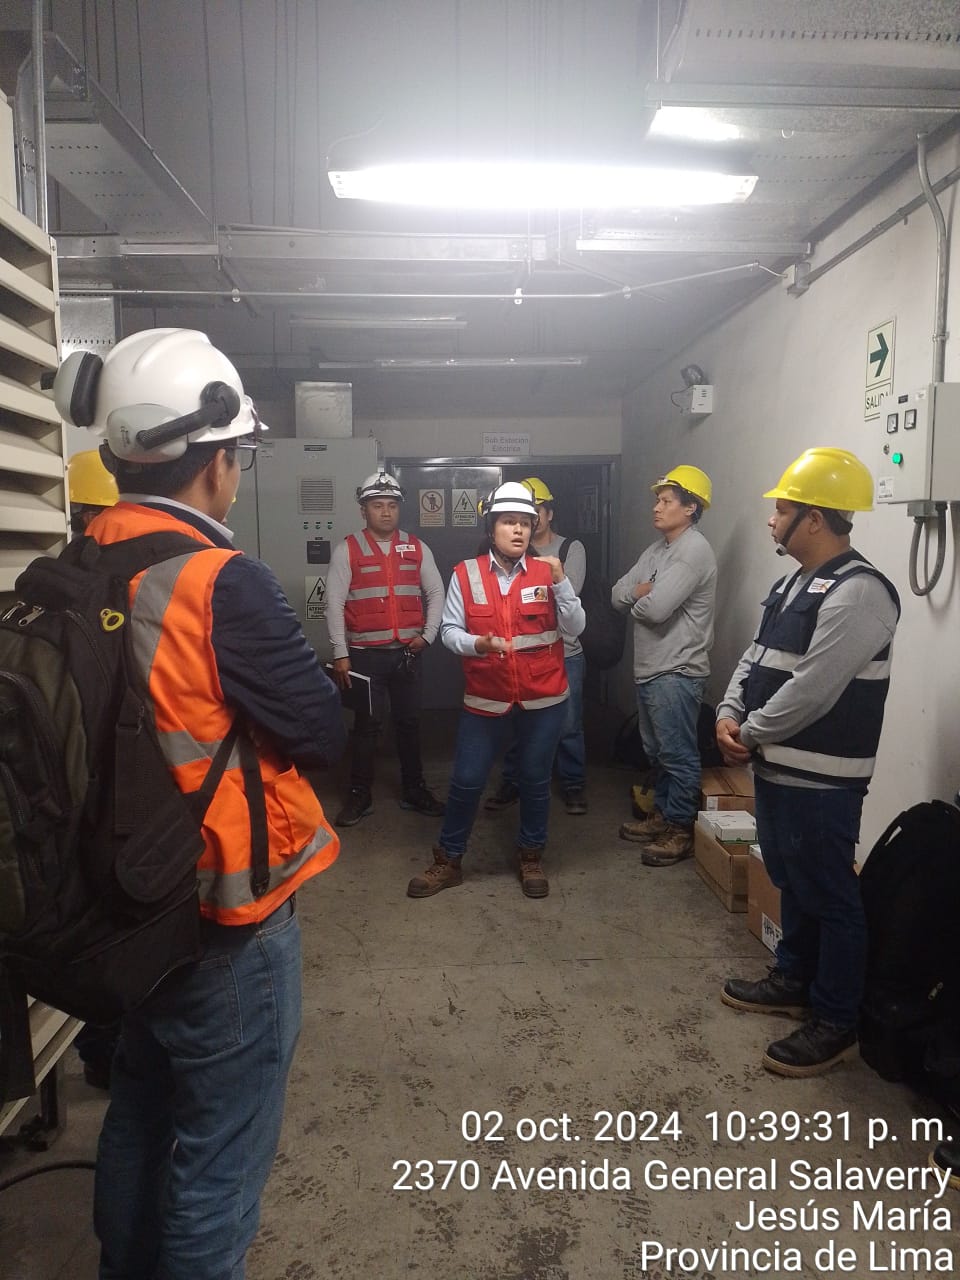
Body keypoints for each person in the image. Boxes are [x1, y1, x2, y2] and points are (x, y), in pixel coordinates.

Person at [54, 327, 346, 1279]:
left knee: (141, 1112)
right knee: (218, 1161)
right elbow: (319, 730)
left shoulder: (71, 565)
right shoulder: (221, 581)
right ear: (217, 460)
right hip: (223, 918)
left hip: (118, 907)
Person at [716, 447, 900, 1078]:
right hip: (776, 765)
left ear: (815, 518)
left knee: (829, 892)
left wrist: (750, 732)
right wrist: (729, 711)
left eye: (782, 510)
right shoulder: (793, 583)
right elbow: (757, 656)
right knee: (792, 878)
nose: (771, 520)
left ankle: (836, 1019)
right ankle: (793, 978)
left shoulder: (861, 592)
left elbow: (814, 687)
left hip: (823, 778)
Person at [407, 482, 584, 900]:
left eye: (525, 522)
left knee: (535, 779)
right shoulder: (465, 573)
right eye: (509, 522)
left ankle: (531, 856)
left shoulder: (548, 572)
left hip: (544, 697)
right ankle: (449, 859)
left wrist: (562, 583)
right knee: (467, 779)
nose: (519, 530)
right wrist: (477, 644)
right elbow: (449, 631)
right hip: (486, 696)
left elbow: (576, 628)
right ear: (492, 528)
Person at [325, 471, 445, 826]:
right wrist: (340, 653)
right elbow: (333, 603)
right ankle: (359, 794)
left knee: (409, 723)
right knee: (367, 727)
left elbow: (436, 592)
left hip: (408, 654)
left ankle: (414, 789)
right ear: (364, 510)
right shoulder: (347, 549)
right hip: (365, 656)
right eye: (378, 505)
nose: (386, 512)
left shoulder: (417, 547)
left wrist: (429, 635)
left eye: (392, 505)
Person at [612, 465, 717, 866]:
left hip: (677, 670)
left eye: (666, 500)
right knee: (657, 753)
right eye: (657, 500)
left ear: (690, 508)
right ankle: (662, 815)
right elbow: (616, 594)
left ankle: (679, 829)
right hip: (652, 668)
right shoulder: (657, 551)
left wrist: (639, 599)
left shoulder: (693, 551)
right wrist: (643, 592)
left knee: (678, 754)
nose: (656, 507)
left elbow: (655, 611)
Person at [65, 449, 123, 1091]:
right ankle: (112, 1051)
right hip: (117, 788)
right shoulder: (126, 585)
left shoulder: (49, 581)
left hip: (68, 786)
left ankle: (100, 1051)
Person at [485, 476, 589, 815]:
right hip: (522, 658)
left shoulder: (569, 549)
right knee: (519, 724)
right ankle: (512, 782)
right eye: (512, 519)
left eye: (534, 512)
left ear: (547, 513)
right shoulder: (508, 555)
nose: (525, 523)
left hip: (565, 653)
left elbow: (569, 602)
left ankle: (573, 784)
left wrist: (550, 576)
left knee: (568, 725)